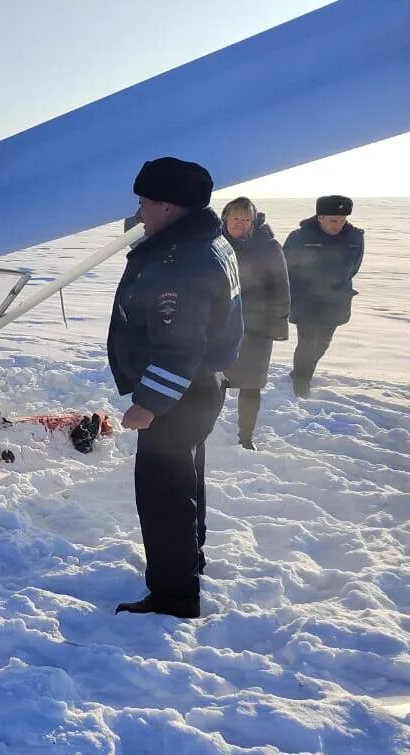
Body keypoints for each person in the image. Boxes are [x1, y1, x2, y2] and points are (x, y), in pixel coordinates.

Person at [107, 157, 243, 619]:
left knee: (162, 494)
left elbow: (179, 344)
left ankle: (173, 596)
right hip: (199, 388)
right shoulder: (203, 239)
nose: (139, 211)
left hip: (179, 394)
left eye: (145, 202)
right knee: (185, 481)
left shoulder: (181, 262)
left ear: (169, 206)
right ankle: (188, 561)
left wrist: (149, 403)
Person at [220, 197, 290, 449]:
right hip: (219, 326)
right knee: (215, 380)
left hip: (256, 327)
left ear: (253, 222)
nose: (240, 224)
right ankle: (204, 428)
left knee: (251, 385)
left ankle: (246, 437)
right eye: (235, 218)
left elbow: (281, 288)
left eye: (246, 219)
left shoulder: (269, 247)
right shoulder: (213, 243)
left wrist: (277, 326)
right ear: (225, 217)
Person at [282, 195, 363, 398]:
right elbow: (286, 268)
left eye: (343, 220)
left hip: (336, 298)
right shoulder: (300, 237)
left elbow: (354, 267)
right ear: (320, 217)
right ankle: (301, 380)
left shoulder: (355, 237)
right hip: (306, 299)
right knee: (307, 341)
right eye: (333, 220)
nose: (338, 225)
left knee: (324, 342)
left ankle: (304, 371)